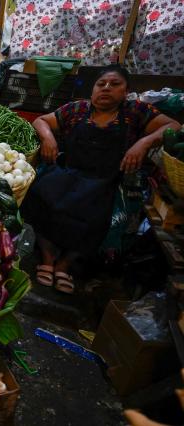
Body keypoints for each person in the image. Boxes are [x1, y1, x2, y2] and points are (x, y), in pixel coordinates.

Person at [22, 64, 181, 294]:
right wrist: (48, 138)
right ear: (93, 89)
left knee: (96, 215)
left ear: (126, 91)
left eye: (115, 84)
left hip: (103, 180)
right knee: (38, 197)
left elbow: (173, 125)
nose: (106, 88)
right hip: (69, 173)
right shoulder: (77, 110)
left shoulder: (135, 112)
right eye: (101, 84)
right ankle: (47, 259)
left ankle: (64, 265)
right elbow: (41, 121)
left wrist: (143, 143)